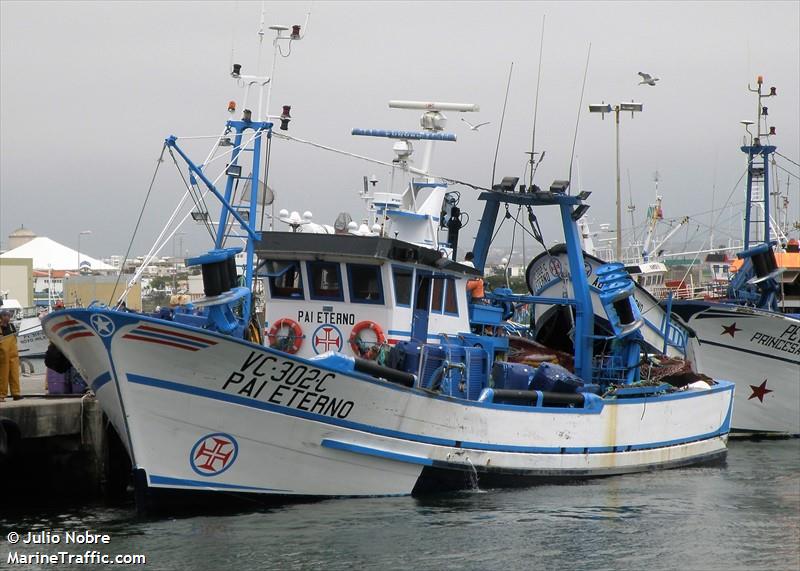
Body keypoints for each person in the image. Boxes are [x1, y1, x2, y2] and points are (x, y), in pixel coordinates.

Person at [0, 310, 22, 402]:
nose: (8, 318)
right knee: (2, 375)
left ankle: (16, 394)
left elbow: (15, 339)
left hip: (13, 354)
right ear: (1, 317)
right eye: (5, 316)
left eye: (9, 316)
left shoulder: (12, 326)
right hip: (2, 355)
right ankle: (1, 395)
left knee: (14, 374)